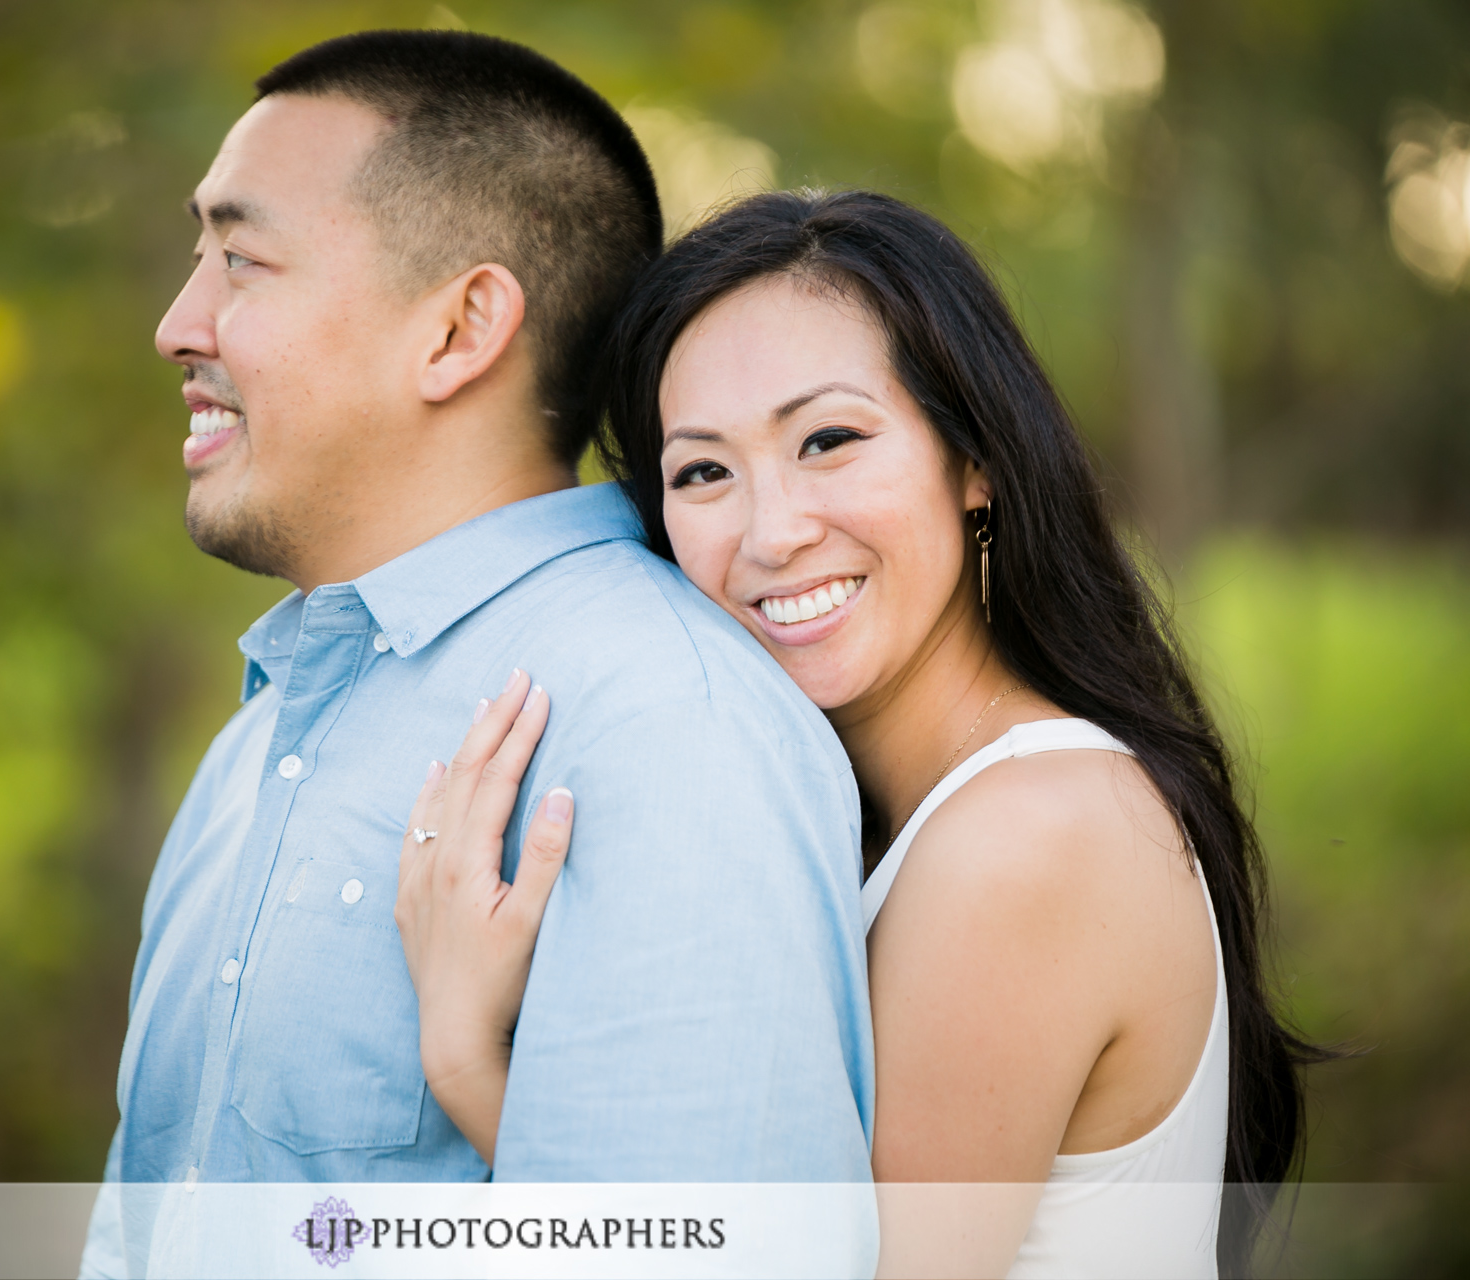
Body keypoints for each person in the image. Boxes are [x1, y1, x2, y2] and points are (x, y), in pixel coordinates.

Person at [395, 189, 1316, 1279]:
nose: (773, 531)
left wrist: (466, 1060)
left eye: (828, 439)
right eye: (703, 471)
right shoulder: (894, 817)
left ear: (975, 460)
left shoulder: (1027, 837)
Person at [80, 33, 878, 1280]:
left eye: (240, 259)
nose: (180, 324)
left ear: (459, 328)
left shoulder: (663, 724)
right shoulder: (258, 747)